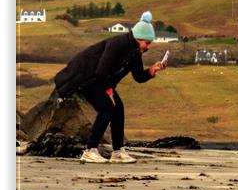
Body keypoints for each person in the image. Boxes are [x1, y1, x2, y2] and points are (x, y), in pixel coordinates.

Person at [54, 11, 166, 163]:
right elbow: (101, 71)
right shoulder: (117, 43)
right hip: (85, 78)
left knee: (118, 108)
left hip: (100, 80)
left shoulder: (135, 52)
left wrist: (153, 70)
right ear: (139, 38)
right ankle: (90, 150)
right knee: (107, 108)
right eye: (147, 43)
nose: (148, 47)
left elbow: (138, 77)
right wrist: (109, 92)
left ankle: (118, 151)